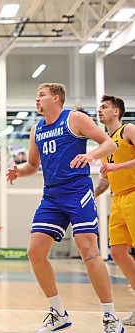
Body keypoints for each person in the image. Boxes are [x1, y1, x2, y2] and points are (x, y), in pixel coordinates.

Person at [6, 83, 122, 333]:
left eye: (41, 95)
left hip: (77, 191)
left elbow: (109, 144)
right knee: (35, 251)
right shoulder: (37, 129)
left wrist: (90, 157)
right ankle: (58, 313)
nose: (36, 100)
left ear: (55, 98)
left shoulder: (74, 118)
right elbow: (33, 165)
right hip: (52, 196)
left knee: (88, 249)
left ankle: (111, 317)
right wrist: (19, 171)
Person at [94, 95, 135, 326]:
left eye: (104, 107)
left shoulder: (128, 129)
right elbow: (107, 179)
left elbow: (117, 167)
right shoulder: (107, 142)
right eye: (99, 107)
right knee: (118, 252)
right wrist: (92, 194)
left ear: (116, 111)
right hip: (117, 199)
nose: (100, 110)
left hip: (134, 194)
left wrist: (117, 166)